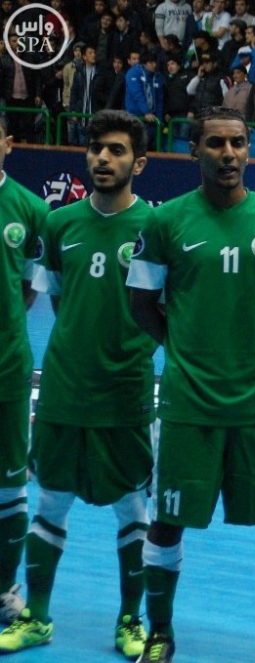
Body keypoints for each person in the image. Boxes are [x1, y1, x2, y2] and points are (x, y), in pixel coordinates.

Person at [126, 106, 255, 663]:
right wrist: (184, 350)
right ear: (194, 151)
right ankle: (160, 633)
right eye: (215, 144)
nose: (228, 153)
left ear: (249, 150)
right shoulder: (164, 222)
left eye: (238, 143)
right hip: (189, 404)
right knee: (167, 521)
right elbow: (141, 304)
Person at [0, 110, 154, 659]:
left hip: (126, 392)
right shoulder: (59, 224)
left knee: (132, 509)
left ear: (139, 162)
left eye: (116, 150)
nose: (103, 158)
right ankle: (37, 617)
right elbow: (59, 300)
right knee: (51, 502)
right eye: (95, 149)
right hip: (65, 390)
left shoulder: (157, 227)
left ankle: (131, 620)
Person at [0, 116, 48, 628]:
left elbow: (28, 291)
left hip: (7, 366)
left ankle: (2, 587)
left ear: (8, 144)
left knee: (9, 483)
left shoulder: (32, 210)